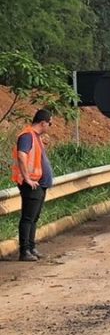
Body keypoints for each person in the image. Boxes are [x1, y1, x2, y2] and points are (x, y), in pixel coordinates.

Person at [12, 109, 54, 261]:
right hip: (31, 184)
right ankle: (25, 251)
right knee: (28, 218)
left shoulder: (35, 137)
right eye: (50, 123)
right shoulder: (27, 136)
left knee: (34, 218)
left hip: (39, 184)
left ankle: (31, 247)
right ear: (43, 123)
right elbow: (22, 155)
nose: (50, 126)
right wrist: (27, 178)